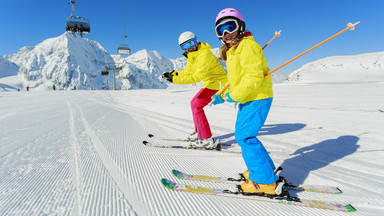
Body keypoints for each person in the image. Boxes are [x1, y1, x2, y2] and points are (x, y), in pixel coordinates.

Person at [211, 8, 279, 195]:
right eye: (221, 30)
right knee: (245, 135)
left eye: (230, 27)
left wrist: (236, 95)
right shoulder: (234, 50)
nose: (226, 34)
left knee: (245, 137)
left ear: (240, 26)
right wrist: (222, 94)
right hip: (251, 96)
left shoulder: (247, 46)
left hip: (257, 97)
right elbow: (237, 80)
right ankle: (265, 172)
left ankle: (264, 182)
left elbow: (252, 77)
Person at [162, 31, 227, 149]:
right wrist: (174, 73)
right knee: (194, 104)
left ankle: (206, 139)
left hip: (219, 84)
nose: (189, 48)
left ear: (196, 41)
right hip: (211, 83)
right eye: (185, 46)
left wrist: (174, 80)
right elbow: (189, 72)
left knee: (196, 105)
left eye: (191, 43)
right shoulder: (193, 56)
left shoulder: (204, 54)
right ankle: (200, 133)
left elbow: (196, 77)